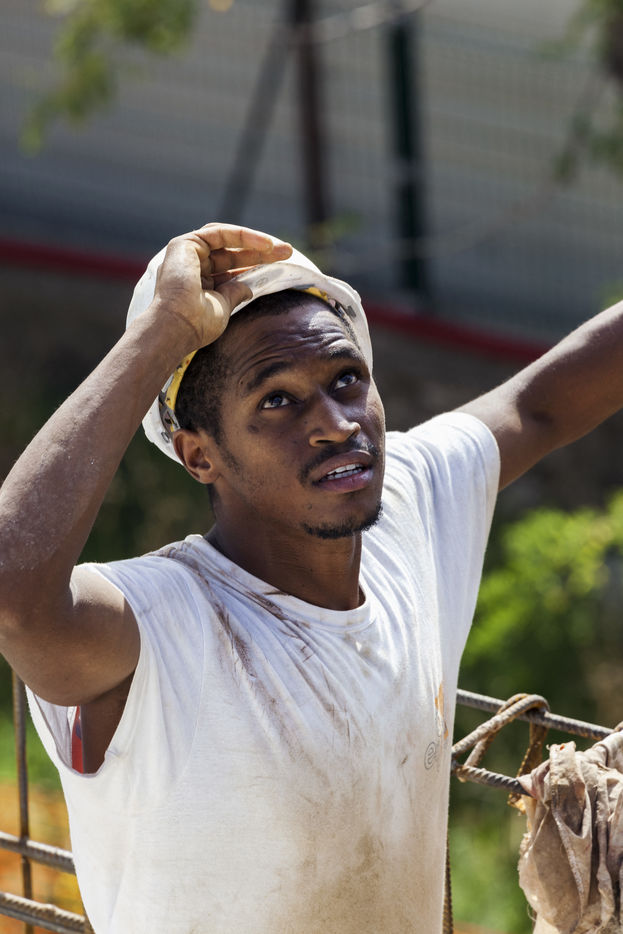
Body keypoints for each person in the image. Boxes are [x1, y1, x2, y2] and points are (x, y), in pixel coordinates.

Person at [1, 221, 622, 934]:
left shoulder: (410, 510)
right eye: (277, 400)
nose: (335, 423)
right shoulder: (163, 626)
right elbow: (13, 597)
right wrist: (164, 331)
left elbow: (537, 407)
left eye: (346, 379)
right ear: (198, 455)